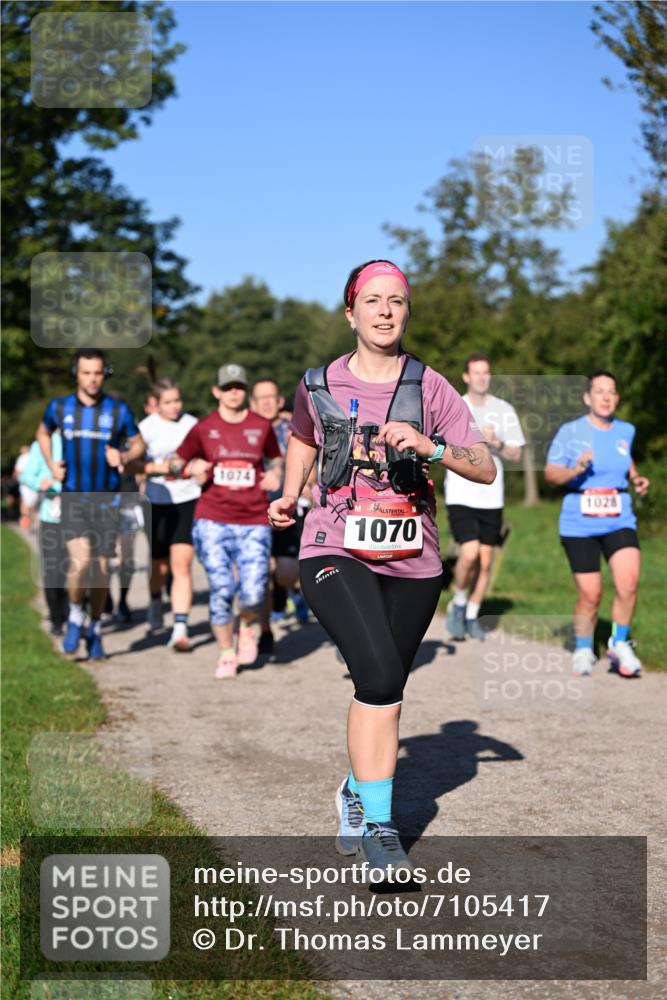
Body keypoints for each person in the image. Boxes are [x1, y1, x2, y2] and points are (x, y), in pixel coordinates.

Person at [268, 260, 495, 877]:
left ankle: (354, 789)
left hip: (412, 557)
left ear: (407, 312)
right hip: (333, 545)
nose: (386, 310)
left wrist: (434, 447)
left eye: (397, 300)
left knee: (385, 684)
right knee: (376, 672)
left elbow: (485, 467)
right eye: (373, 300)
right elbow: (305, 437)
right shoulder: (317, 382)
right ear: (351, 312)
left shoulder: (431, 386)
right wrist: (290, 493)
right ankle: (380, 832)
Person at [172, 363, 283, 678]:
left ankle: (247, 624)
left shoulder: (261, 426)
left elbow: (275, 457)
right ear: (217, 391)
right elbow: (177, 461)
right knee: (221, 588)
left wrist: (275, 473)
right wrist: (190, 469)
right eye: (228, 387)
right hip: (213, 518)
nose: (234, 393)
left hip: (253, 519)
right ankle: (225, 653)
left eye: (239, 387)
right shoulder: (204, 428)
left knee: (254, 591)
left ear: (244, 391)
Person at [36, 348, 145, 660]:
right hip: (73, 496)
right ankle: (74, 615)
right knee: (80, 563)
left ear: (105, 374)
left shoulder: (118, 410)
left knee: (100, 571)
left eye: (98, 372)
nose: (92, 379)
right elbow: (43, 432)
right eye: (86, 372)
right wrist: (50, 464)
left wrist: (124, 456)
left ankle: (94, 628)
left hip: (107, 499)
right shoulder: (59, 407)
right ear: (76, 374)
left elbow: (139, 443)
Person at [545, 371, 649, 678]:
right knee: (591, 594)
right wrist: (575, 468)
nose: (606, 397)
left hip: (619, 517)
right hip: (579, 522)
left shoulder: (626, 430)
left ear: (617, 398)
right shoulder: (570, 431)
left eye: (611, 392)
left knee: (628, 582)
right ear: (587, 397)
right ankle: (582, 648)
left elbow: (624, 458)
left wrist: (636, 478)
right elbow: (551, 475)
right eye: (599, 391)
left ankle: (619, 644)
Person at [444, 352, 525, 640]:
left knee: (487, 559)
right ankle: (457, 602)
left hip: (491, 495)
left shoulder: (503, 410)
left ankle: (471, 614)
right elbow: (441, 448)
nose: (481, 377)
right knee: (469, 553)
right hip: (461, 493)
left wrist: (497, 442)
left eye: (485, 372)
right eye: (476, 372)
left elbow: (516, 453)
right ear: (466, 377)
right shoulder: (455, 407)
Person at [131, 379, 200, 650]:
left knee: (182, 564)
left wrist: (198, 468)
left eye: (177, 401)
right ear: (155, 404)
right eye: (168, 403)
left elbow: (204, 456)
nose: (174, 407)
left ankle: (180, 628)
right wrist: (158, 468)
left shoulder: (192, 424)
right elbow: (132, 464)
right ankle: (156, 599)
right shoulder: (145, 429)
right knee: (158, 567)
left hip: (188, 498)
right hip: (156, 503)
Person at [250, 377, 310, 653]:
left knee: (285, 573)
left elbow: (312, 456)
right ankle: (264, 631)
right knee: (262, 572)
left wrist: (310, 485)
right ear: (253, 403)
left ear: (279, 401)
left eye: (270, 397)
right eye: (260, 397)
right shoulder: (246, 429)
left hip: (286, 510)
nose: (266, 402)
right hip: (252, 511)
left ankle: (286, 592)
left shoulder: (293, 428)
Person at [18, 433, 69, 634]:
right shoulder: (42, 444)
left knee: (79, 569)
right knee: (53, 571)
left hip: (81, 516)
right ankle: (57, 618)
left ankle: (76, 615)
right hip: (51, 517)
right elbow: (25, 475)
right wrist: (43, 482)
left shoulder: (82, 438)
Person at [14, 445, 38, 531]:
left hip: (26, 483)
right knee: (31, 505)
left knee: (26, 503)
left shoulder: (23, 458)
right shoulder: (35, 457)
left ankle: (27, 521)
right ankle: (30, 522)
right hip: (33, 484)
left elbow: (17, 471)